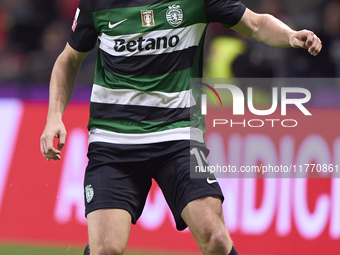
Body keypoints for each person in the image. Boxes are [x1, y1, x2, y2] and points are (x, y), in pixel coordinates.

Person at [40, 0, 322, 254]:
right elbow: (68, 59)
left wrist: (290, 36)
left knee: (216, 240)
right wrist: (54, 116)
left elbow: (256, 23)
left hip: (178, 138)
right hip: (114, 143)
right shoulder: (97, 3)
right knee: (107, 250)